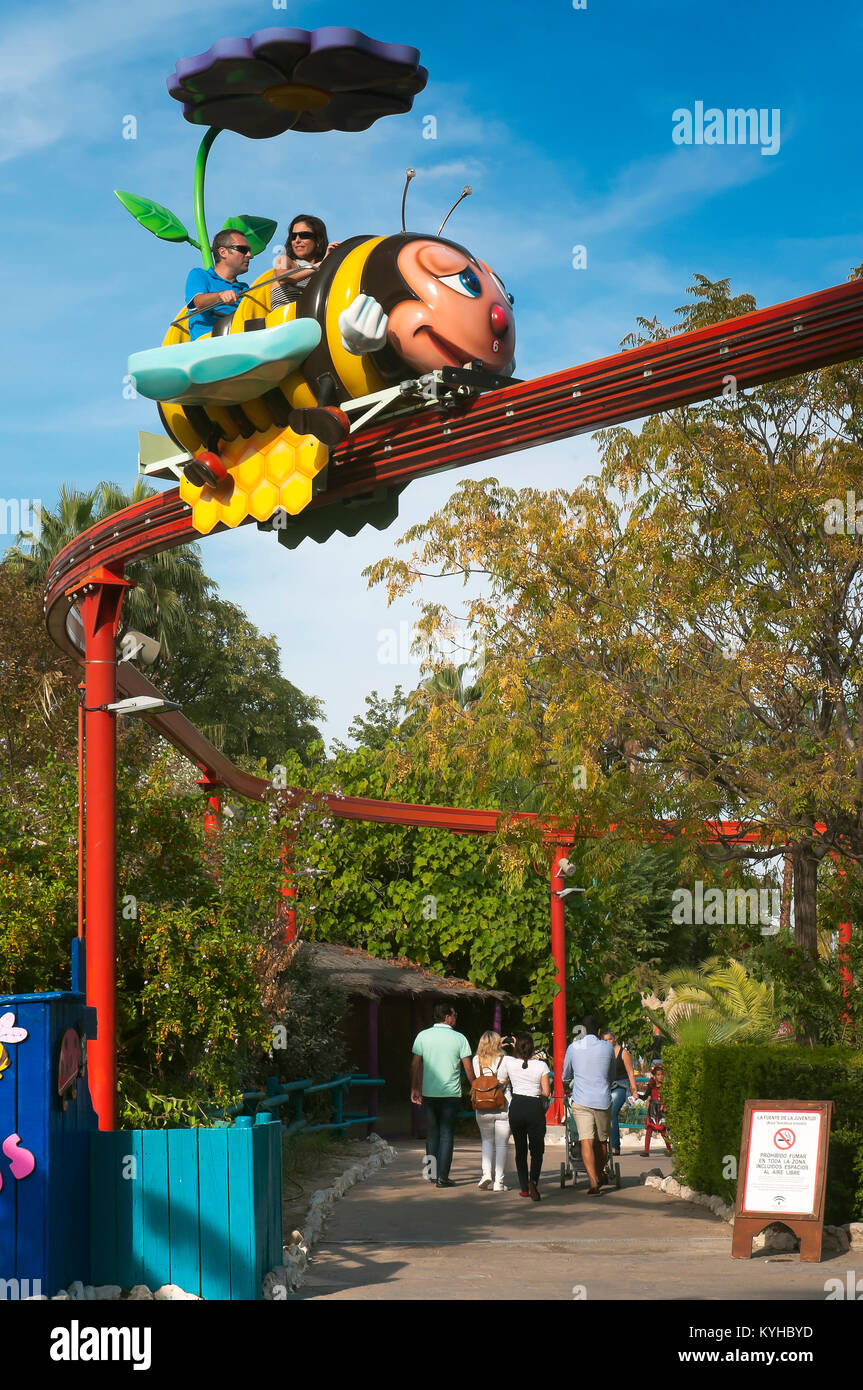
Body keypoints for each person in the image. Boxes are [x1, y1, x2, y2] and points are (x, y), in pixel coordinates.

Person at [411, 1002, 474, 1188]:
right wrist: (475, 1086)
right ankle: (443, 1178)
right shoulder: (459, 1038)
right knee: (447, 1135)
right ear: (447, 1017)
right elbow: (468, 1067)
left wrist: (414, 1087)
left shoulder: (423, 1036)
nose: (455, 1018)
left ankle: (431, 1173)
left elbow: (414, 1064)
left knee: (432, 1134)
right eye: (454, 1015)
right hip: (451, 1094)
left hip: (429, 1093)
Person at [562, 1014, 615, 1195]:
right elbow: (612, 1074)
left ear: (582, 1031)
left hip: (581, 1100)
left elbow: (566, 1075)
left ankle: (593, 1182)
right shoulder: (607, 1048)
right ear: (599, 1032)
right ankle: (599, 1175)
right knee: (602, 1142)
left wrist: (568, 1084)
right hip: (602, 1099)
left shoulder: (573, 1047)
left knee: (586, 1140)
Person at [499, 1033, 550, 1201]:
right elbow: (546, 1093)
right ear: (532, 1047)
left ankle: (523, 1188)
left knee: (520, 1150)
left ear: (517, 1047)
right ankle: (533, 1181)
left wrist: (503, 1045)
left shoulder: (509, 1062)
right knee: (537, 1150)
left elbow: (501, 1077)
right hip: (534, 1107)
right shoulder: (541, 1066)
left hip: (517, 1106)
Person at [184, 231, 252, 340]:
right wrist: (220, 296)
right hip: (208, 345)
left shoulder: (244, 288)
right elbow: (197, 302)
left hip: (239, 340)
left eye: (249, 251)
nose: (249, 255)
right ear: (223, 252)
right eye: (243, 250)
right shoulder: (200, 275)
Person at [471, 1030, 511, 1192]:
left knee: (486, 1141)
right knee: (501, 1145)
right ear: (498, 1043)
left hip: (482, 1106)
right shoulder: (506, 1060)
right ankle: (499, 1183)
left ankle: (486, 1174)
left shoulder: (476, 1060)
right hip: (503, 1105)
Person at [271, 215, 340, 307]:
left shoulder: (322, 269)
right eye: (293, 236)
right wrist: (322, 264)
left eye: (304, 235)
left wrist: (332, 260)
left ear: (318, 240)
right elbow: (283, 278)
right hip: (287, 319)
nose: (297, 240)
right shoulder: (283, 259)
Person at [603, 1030, 639, 1156]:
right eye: (605, 1040)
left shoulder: (623, 1053)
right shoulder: (604, 1053)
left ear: (614, 1039)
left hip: (621, 1085)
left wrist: (634, 1090)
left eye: (610, 1039)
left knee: (612, 1112)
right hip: (608, 1086)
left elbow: (630, 1072)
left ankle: (615, 1147)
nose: (608, 1042)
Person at [640, 1062, 672, 1157]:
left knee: (663, 1131)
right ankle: (646, 1151)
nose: (660, 1076)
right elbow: (645, 1097)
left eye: (662, 1074)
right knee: (649, 1129)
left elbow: (669, 1098)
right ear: (654, 1076)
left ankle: (669, 1149)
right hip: (653, 1110)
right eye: (658, 1075)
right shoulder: (651, 1086)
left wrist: (666, 1106)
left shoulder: (666, 1087)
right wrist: (637, 1096)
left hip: (662, 1110)